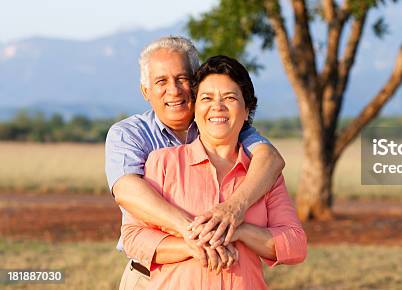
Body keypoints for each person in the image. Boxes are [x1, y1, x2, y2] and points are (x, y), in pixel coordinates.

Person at [105, 37, 285, 289]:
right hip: (150, 273)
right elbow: (126, 190)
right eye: (161, 81)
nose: (174, 90)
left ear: (196, 83)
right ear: (145, 91)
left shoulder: (218, 122)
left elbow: (271, 159)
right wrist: (199, 234)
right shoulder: (129, 133)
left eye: (182, 79)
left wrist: (233, 209)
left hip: (224, 274)